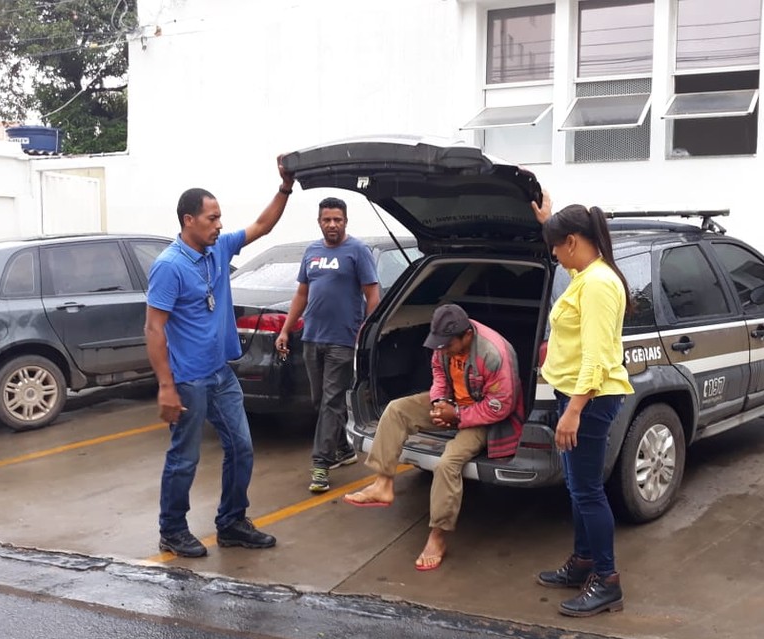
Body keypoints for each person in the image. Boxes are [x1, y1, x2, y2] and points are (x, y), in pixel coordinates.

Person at [144, 159, 295, 558]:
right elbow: (153, 329)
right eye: (212, 218)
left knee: (242, 447)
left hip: (221, 374)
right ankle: (172, 530)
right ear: (189, 220)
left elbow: (262, 226)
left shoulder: (219, 250)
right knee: (184, 458)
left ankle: (231, 522)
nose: (219, 225)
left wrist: (285, 187)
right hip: (188, 381)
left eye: (220, 218)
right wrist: (165, 386)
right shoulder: (169, 267)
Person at [342, 304, 524, 571]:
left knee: (448, 462)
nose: (441, 350)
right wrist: (440, 403)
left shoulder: (494, 352)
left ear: (466, 337)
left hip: (483, 416)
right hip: (453, 404)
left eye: (447, 345)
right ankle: (383, 484)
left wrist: (458, 416)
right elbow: (439, 374)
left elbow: (501, 406)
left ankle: (437, 537)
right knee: (396, 410)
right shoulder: (443, 345)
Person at [531, 192, 634, 617]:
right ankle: (584, 562)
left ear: (573, 241)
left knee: (588, 491)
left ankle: (607, 580)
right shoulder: (586, 273)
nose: (552, 254)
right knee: (578, 488)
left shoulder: (597, 285)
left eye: (556, 245)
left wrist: (573, 410)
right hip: (575, 394)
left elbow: (595, 357)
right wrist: (546, 219)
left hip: (589, 399)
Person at [275, 197, 380, 494]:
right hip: (312, 337)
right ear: (319, 222)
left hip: (343, 340)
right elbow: (301, 294)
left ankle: (320, 464)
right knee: (320, 401)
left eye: (337, 219)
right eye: (327, 219)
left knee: (332, 402)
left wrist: (367, 332)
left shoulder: (357, 251)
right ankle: (344, 450)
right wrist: (285, 330)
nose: (332, 224)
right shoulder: (312, 252)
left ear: (346, 221)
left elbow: (372, 294)